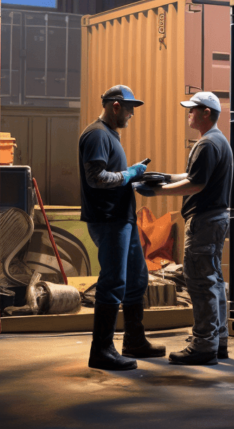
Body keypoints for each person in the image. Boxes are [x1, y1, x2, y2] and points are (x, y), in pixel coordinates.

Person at [134, 91, 233, 366]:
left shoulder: (206, 145)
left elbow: (196, 185)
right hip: (215, 220)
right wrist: (164, 177)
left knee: (199, 283)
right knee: (212, 280)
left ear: (206, 113)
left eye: (192, 109)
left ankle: (203, 345)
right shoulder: (216, 141)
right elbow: (192, 177)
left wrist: (158, 192)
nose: (188, 113)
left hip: (203, 222)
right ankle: (218, 341)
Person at [79, 85, 165, 371]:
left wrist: (135, 180)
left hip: (122, 218)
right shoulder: (96, 135)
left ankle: (134, 340)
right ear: (115, 106)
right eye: (129, 109)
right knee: (114, 281)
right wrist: (128, 174)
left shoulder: (110, 135)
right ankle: (101, 350)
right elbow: (96, 178)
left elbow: (111, 177)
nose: (131, 115)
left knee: (136, 280)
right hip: (108, 220)